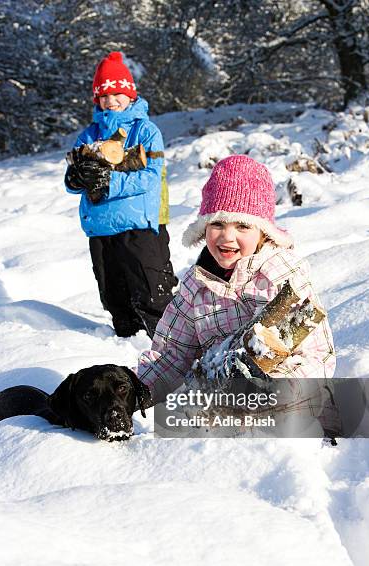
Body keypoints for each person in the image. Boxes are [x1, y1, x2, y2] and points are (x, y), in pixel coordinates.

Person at [138, 155, 336, 408]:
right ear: (204, 228)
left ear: (262, 231)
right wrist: (138, 390)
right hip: (215, 406)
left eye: (243, 226)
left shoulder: (282, 277)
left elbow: (317, 355)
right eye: (217, 223)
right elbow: (172, 356)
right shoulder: (195, 286)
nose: (227, 237)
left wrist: (271, 391)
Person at [65, 51, 177, 338]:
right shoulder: (89, 136)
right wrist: (75, 178)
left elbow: (151, 176)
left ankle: (168, 348)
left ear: (130, 94)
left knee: (152, 293)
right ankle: (125, 344)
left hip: (138, 227)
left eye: (117, 94)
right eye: (104, 96)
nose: (111, 101)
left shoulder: (145, 131)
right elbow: (74, 178)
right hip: (101, 229)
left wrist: (108, 183)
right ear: (96, 99)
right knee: (115, 297)